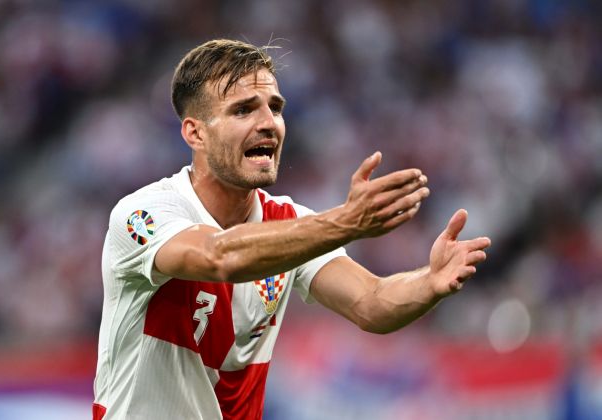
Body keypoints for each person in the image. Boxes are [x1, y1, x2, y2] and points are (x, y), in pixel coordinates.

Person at [92, 39, 491, 420]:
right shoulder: (143, 214)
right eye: (244, 110)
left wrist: (430, 282)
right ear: (196, 133)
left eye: (276, 108)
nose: (269, 123)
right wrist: (346, 222)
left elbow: (371, 303)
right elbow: (219, 256)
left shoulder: (291, 225)